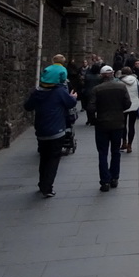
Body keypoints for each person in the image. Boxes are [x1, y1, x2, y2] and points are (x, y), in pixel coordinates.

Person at [23, 67, 78, 198]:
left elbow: (28, 106)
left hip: (41, 130)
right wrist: (73, 97)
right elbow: (70, 103)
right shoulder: (59, 91)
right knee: (53, 159)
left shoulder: (38, 91)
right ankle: (47, 187)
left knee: (44, 157)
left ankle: (42, 183)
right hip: (57, 130)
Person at [88, 65, 131, 192]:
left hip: (102, 124)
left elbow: (90, 108)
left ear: (102, 76)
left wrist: (93, 120)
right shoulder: (121, 87)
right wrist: (119, 111)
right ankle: (114, 178)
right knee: (116, 152)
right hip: (118, 124)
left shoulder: (97, 89)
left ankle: (105, 181)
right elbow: (127, 104)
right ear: (113, 74)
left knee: (102, 153)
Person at [120, 66, 139, 153]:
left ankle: (124, 143)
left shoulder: (119, 81)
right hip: (134, 105)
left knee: (122, 125)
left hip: (123, 106)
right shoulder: (135, 80)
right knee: (131, 126)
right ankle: (130, 146)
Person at [81, 58, 104, 125]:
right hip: (98, 92)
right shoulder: (100, 77)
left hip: (88, 92)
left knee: (89, 107)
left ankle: (90, 119)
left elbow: (84, 84)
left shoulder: (87, 76)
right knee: (98, 106)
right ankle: (97, 118)